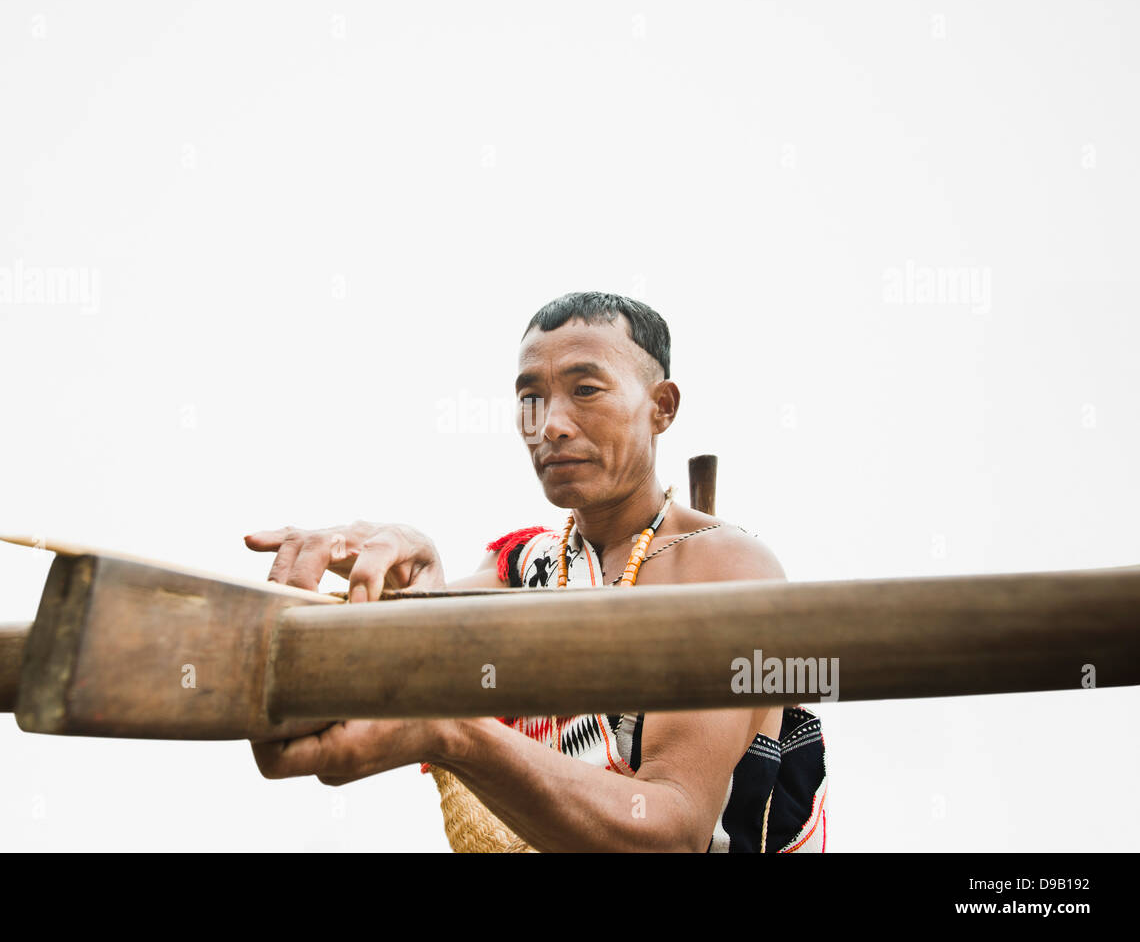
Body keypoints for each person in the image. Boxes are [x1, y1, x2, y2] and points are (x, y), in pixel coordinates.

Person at [244, 291, 827, 852]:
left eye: (586, 389)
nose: (550, 424)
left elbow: (670, 833)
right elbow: (424, 616)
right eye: (531, 398)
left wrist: (450, 732)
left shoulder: (724, 564)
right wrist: (399, 589)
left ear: (662, 407)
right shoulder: (526, 567)